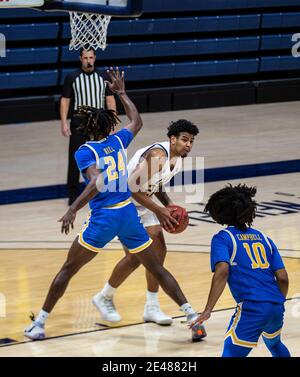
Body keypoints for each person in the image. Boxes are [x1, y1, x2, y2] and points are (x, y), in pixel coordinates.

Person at [24, 68, 206, 342]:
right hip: (127, 215)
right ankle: (191, 315)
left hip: (105, 219)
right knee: (156, 266)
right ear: (110, 126)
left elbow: (96, 183)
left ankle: (39, 324)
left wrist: (73, 208)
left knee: (68, 270)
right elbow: (137, 121)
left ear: (86, 128)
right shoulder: (119, 140)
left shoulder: (85, 151)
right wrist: (121, 93)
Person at [95, 120, 199, 325]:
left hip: (142, 201)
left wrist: (168, 204)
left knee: (158, 249)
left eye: (191, 141)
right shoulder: (157, 156)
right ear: (172, 139)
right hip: (122, 201)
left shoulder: (177, 159)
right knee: (137, 256)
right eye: (184, 139)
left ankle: (152, 307)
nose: (188, 144)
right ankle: (104, 296)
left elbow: (155, 184)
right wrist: (159, 210)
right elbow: (132, 187)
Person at [190, 184, 290, 357]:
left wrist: (207, 310)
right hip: (276, 306)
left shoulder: (223, 238)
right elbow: (283, 277)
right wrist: (278, 301)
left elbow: (222, 271)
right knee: (274, 344)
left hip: (252, 306)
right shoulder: (264, 238)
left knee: (230, 352)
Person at [60, 47, 116, 205]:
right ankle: (73, 195)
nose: (88, 61)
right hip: (79, 122)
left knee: (103, 157)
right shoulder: (72, 77)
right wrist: (64, 122)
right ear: (80, 59)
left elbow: (110, 100)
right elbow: (65, 100)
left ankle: (104, 190)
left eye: (91, 57)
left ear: (95, 58)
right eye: (85, 58)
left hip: (99, 122)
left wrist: (112, 121)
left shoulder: (103, 76)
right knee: (75, 158)